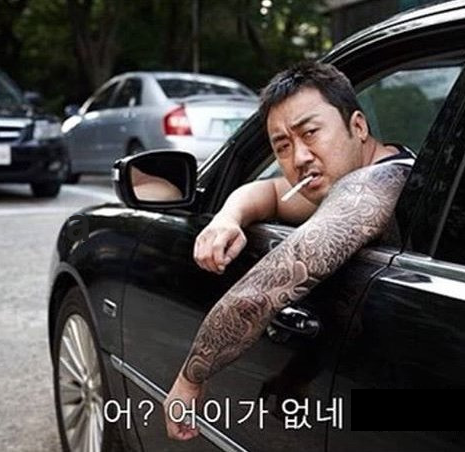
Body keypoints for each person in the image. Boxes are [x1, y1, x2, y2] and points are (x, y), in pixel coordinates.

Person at [164, 61, 415, 440]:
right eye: (282, 146)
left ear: (359, 126)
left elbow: (260, 294)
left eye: (310, 132)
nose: (298, 158)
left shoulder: (373, 188)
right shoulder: (356, 173)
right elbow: (270, 192)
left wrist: (189, 380)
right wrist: (228, 218)